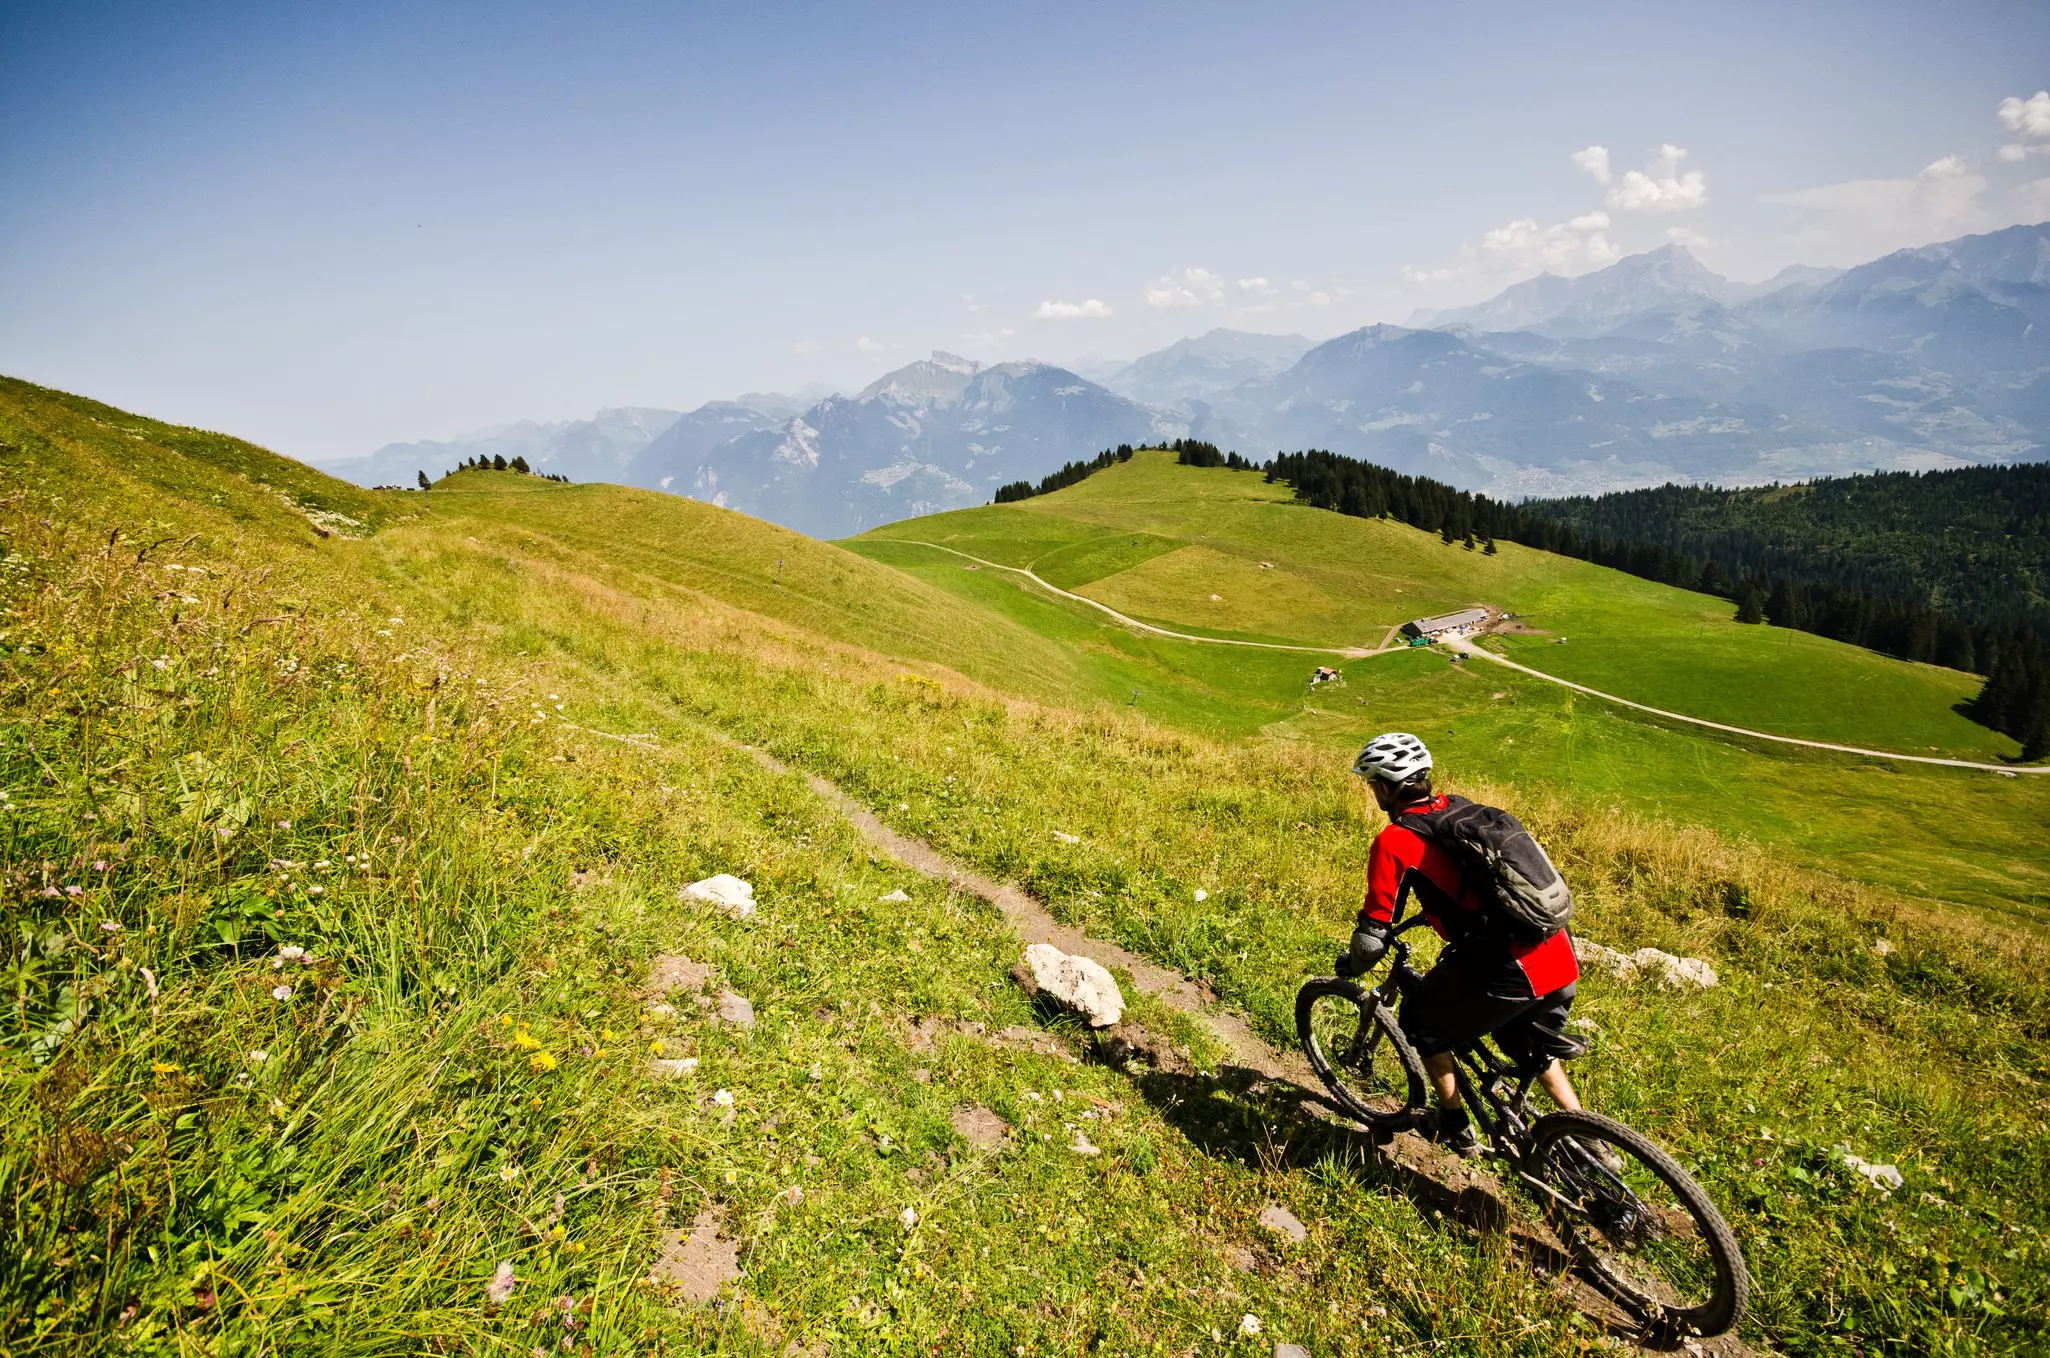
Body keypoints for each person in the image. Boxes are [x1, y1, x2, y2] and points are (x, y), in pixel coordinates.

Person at [1338, 732, 1584, 1156]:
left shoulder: (1396, 840)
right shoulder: (1462, 809)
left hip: (1511, 966)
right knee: (1530, 1045)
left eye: (1372, 783)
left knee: (1420, 1024)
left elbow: (1373, 934)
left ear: (1383, 788)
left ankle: (1453, 1122)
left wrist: (1354, 964)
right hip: (1558, 950)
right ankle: (1590, 1141)